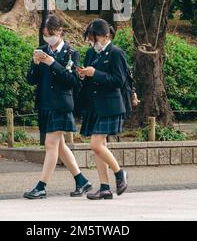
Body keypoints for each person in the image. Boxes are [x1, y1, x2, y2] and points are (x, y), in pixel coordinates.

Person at [24, 14, 92, 200]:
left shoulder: (71, 53)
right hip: (44, 103)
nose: (48, 38)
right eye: (45, 34)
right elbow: (31, 80)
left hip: (61, 104)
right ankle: (82, 181)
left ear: (60, 31)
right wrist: (35, 64)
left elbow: (71, 81)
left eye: (50, 33)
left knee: (50, 144)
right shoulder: (41, 50)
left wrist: (52, 62)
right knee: (60, 146)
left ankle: (41, 186)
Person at [77, 18, 129, 200]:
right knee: (99, 148)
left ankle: (120, 172)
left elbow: (118, 81)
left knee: (96, 144)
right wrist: (84, 75)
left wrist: (95, 73)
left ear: (106, 36)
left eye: (95, 38)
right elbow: (90, 78)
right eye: (90, 38)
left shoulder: (116, 53)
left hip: (110, 105)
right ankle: (104, 187)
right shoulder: (91, 54)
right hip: (94, 106)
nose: (92, 42)